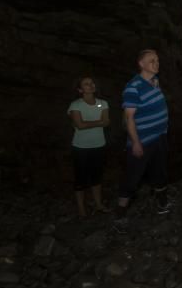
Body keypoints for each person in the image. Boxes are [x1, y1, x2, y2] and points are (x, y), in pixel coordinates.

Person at [115, 49, 170, 228]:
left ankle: (163, 204)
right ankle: (120, 215)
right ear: (141, 64)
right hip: (143, 141)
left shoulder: (155, 82)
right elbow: (129, 118)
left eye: (157, 60)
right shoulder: (133, 87)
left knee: (159, 172)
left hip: (159, 137)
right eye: (152, 60)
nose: (156, 63)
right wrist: (136, 143)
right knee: (132, 178)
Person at [68, 76, 110, 217]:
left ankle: (98, 205)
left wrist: (86, 123)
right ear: (80, 89)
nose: (91, 85)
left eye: (92, 83)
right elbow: (79, 125)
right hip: (80, 147)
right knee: (80, 178)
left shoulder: (102, 103)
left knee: (96, 176)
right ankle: (81, 208)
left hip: (99, 145)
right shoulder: (76, 105)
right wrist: (98, 121)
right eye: (86, 84)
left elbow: (106, 122)